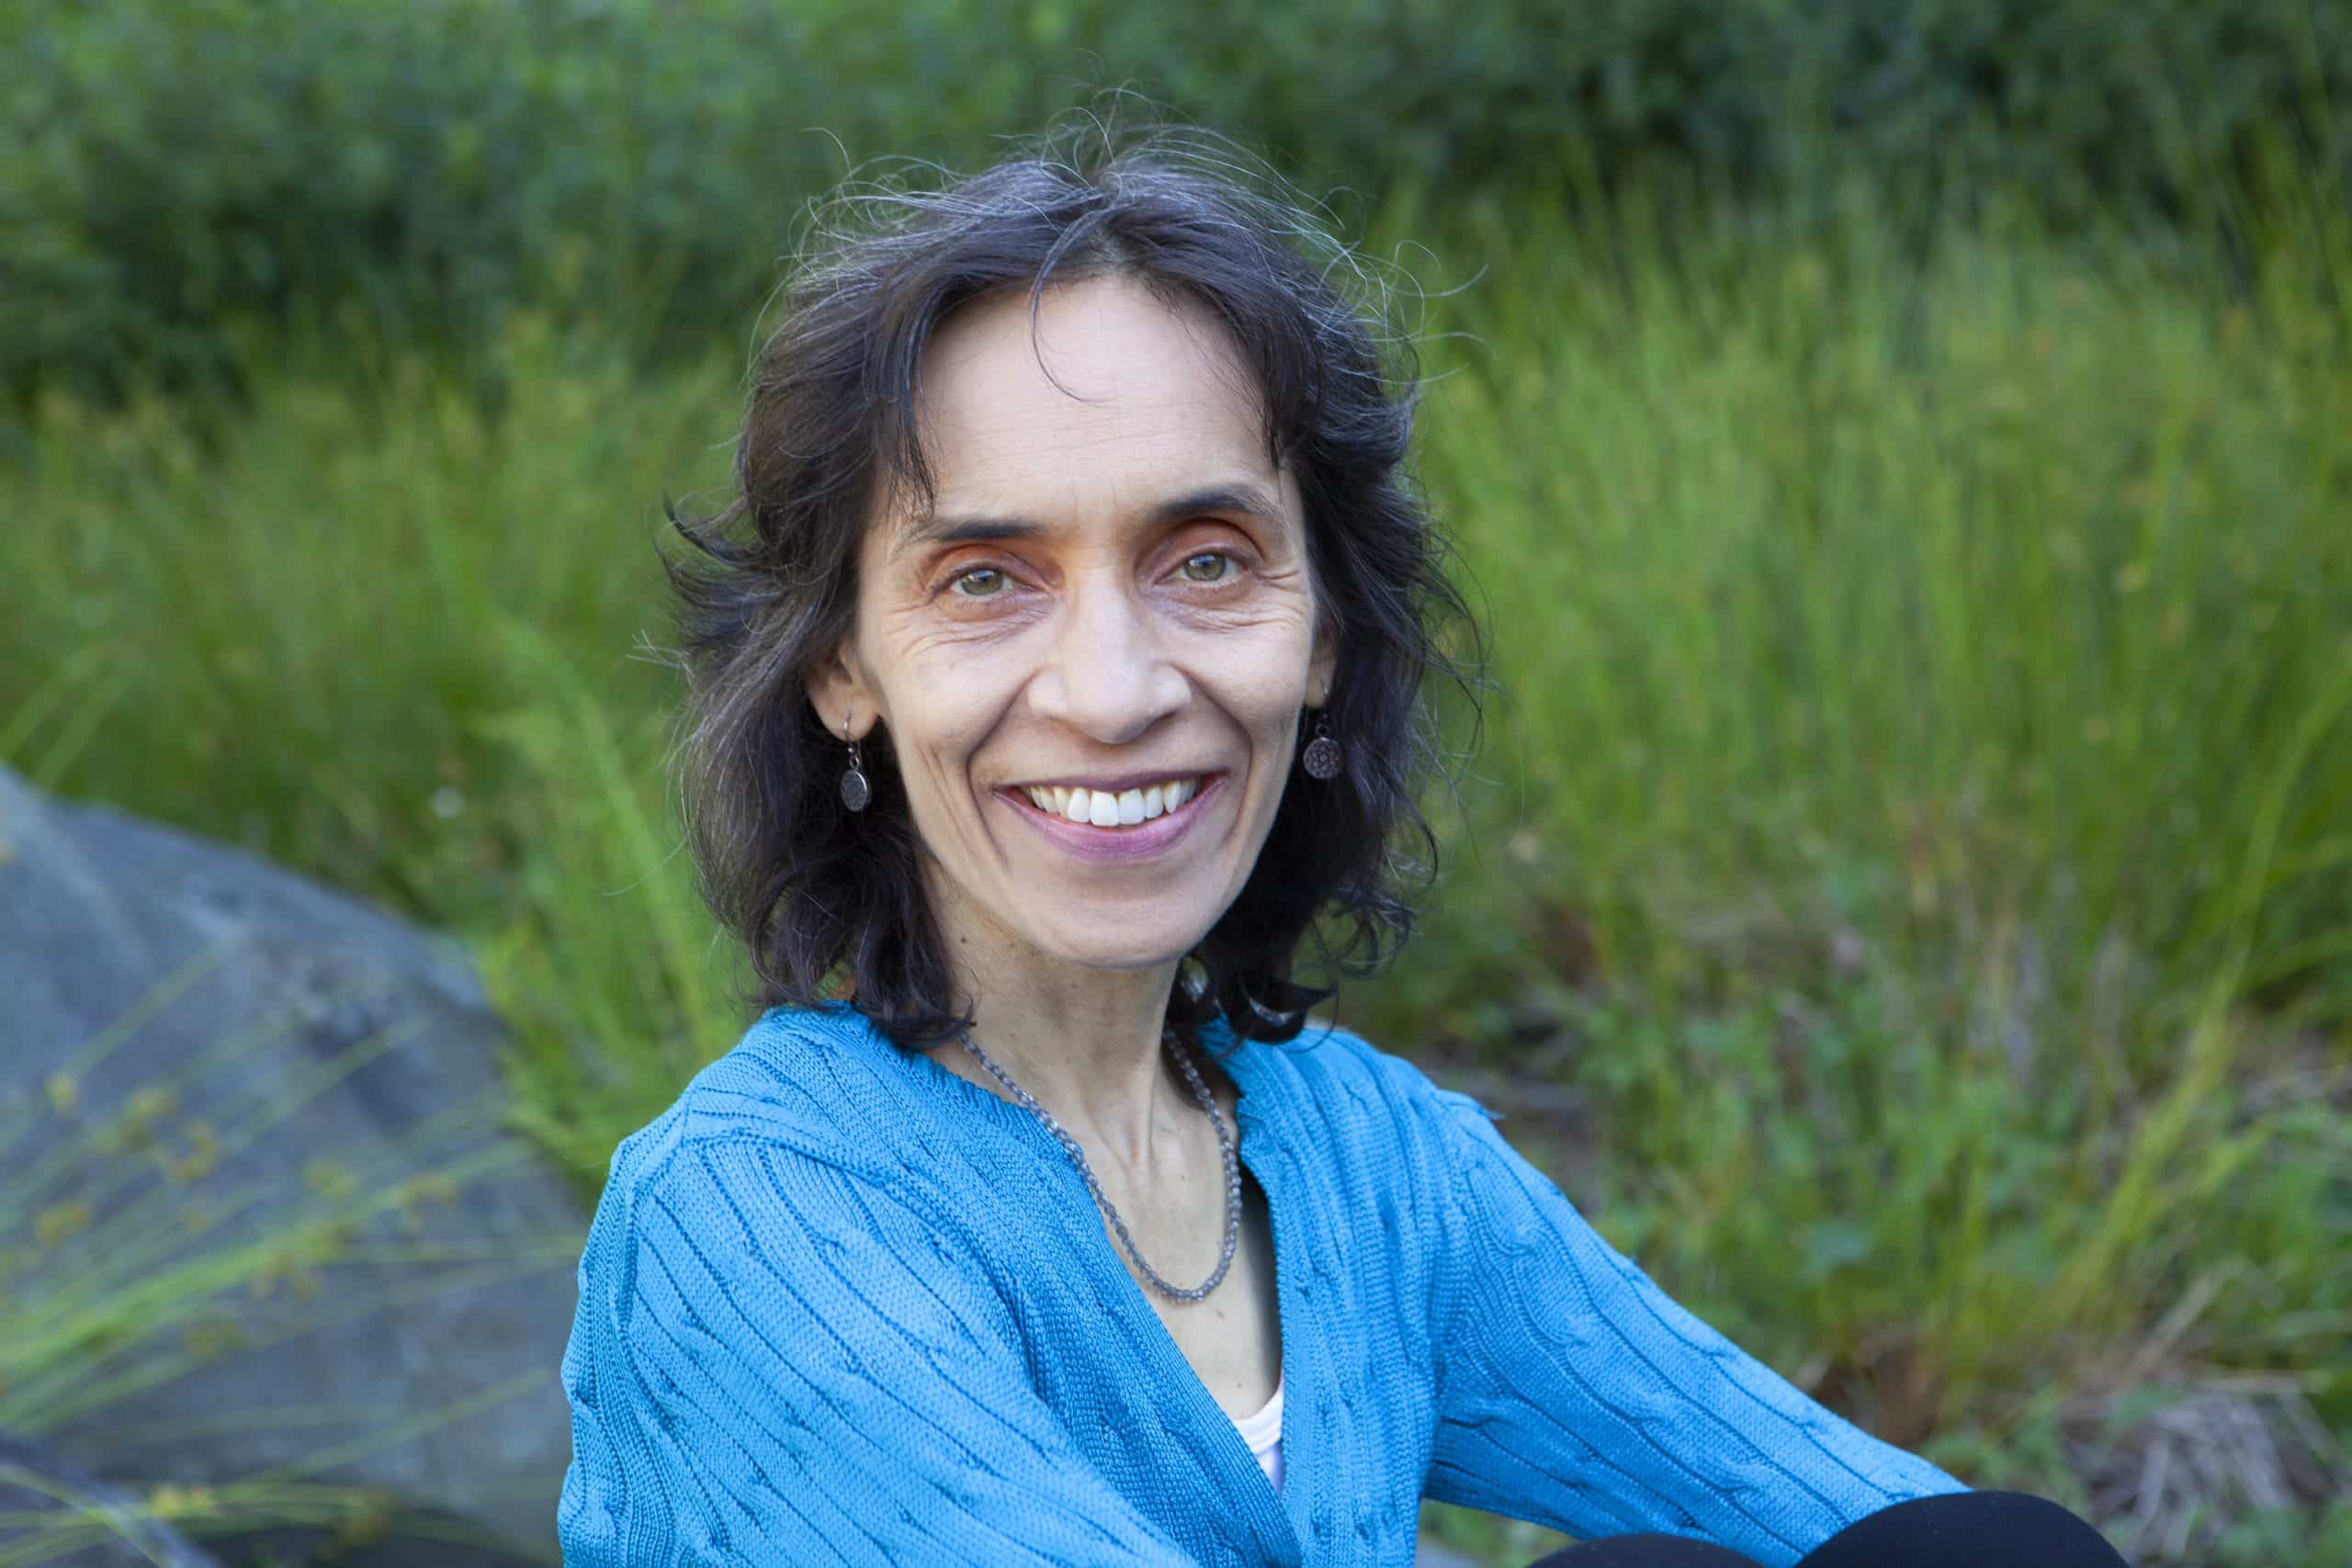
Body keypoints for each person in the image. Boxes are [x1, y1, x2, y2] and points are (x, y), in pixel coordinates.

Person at [554, 118, 2131, 1567]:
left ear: (1320, 635)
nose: (1114, 690)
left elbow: (1865, 1518)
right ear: (842, 668)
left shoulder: (1364, 1157)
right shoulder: (755, 1216)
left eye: (1206, 559)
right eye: (985, 579)